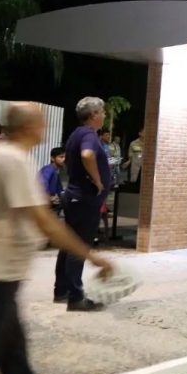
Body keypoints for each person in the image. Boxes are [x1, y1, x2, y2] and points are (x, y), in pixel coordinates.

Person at [0, 103, 114, 374]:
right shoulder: (14, 161)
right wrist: (91, 255)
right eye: (41, 121)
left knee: (13, 358)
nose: (44, 126)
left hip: (2, 274)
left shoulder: (4, 156)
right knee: (9, 354)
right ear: (29, 126)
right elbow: (44, 221)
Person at [54, 96, 112, 311]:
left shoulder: (76, 134)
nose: (104, 116)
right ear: (94, 114)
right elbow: (87, 155)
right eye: (102, 112)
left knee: (69, 244)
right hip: (84, 198)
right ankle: (76, 297)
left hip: (75, 196)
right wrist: (97, 181)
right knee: (79, 247)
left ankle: (62, 291)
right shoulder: (88, 134)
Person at [39, 147, 67, 215]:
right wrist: (48, 197)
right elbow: (42, 183)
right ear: (52, 158)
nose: (64, 159)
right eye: (61, 157)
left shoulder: (56, 172)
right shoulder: (48, 169)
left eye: (65, 157)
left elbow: (60, 190)